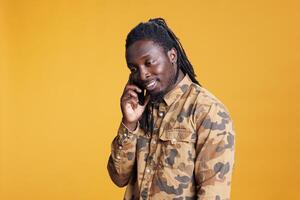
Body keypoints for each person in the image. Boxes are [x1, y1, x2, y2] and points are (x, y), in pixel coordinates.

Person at [107, 18, 235, 200]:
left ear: (172, 56)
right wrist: (129, 123)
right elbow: (118, 177)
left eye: (149, 62)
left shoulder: (208, 111)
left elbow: (214, 194)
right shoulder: (141, 109)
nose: (142, 74)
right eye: (134, 68)